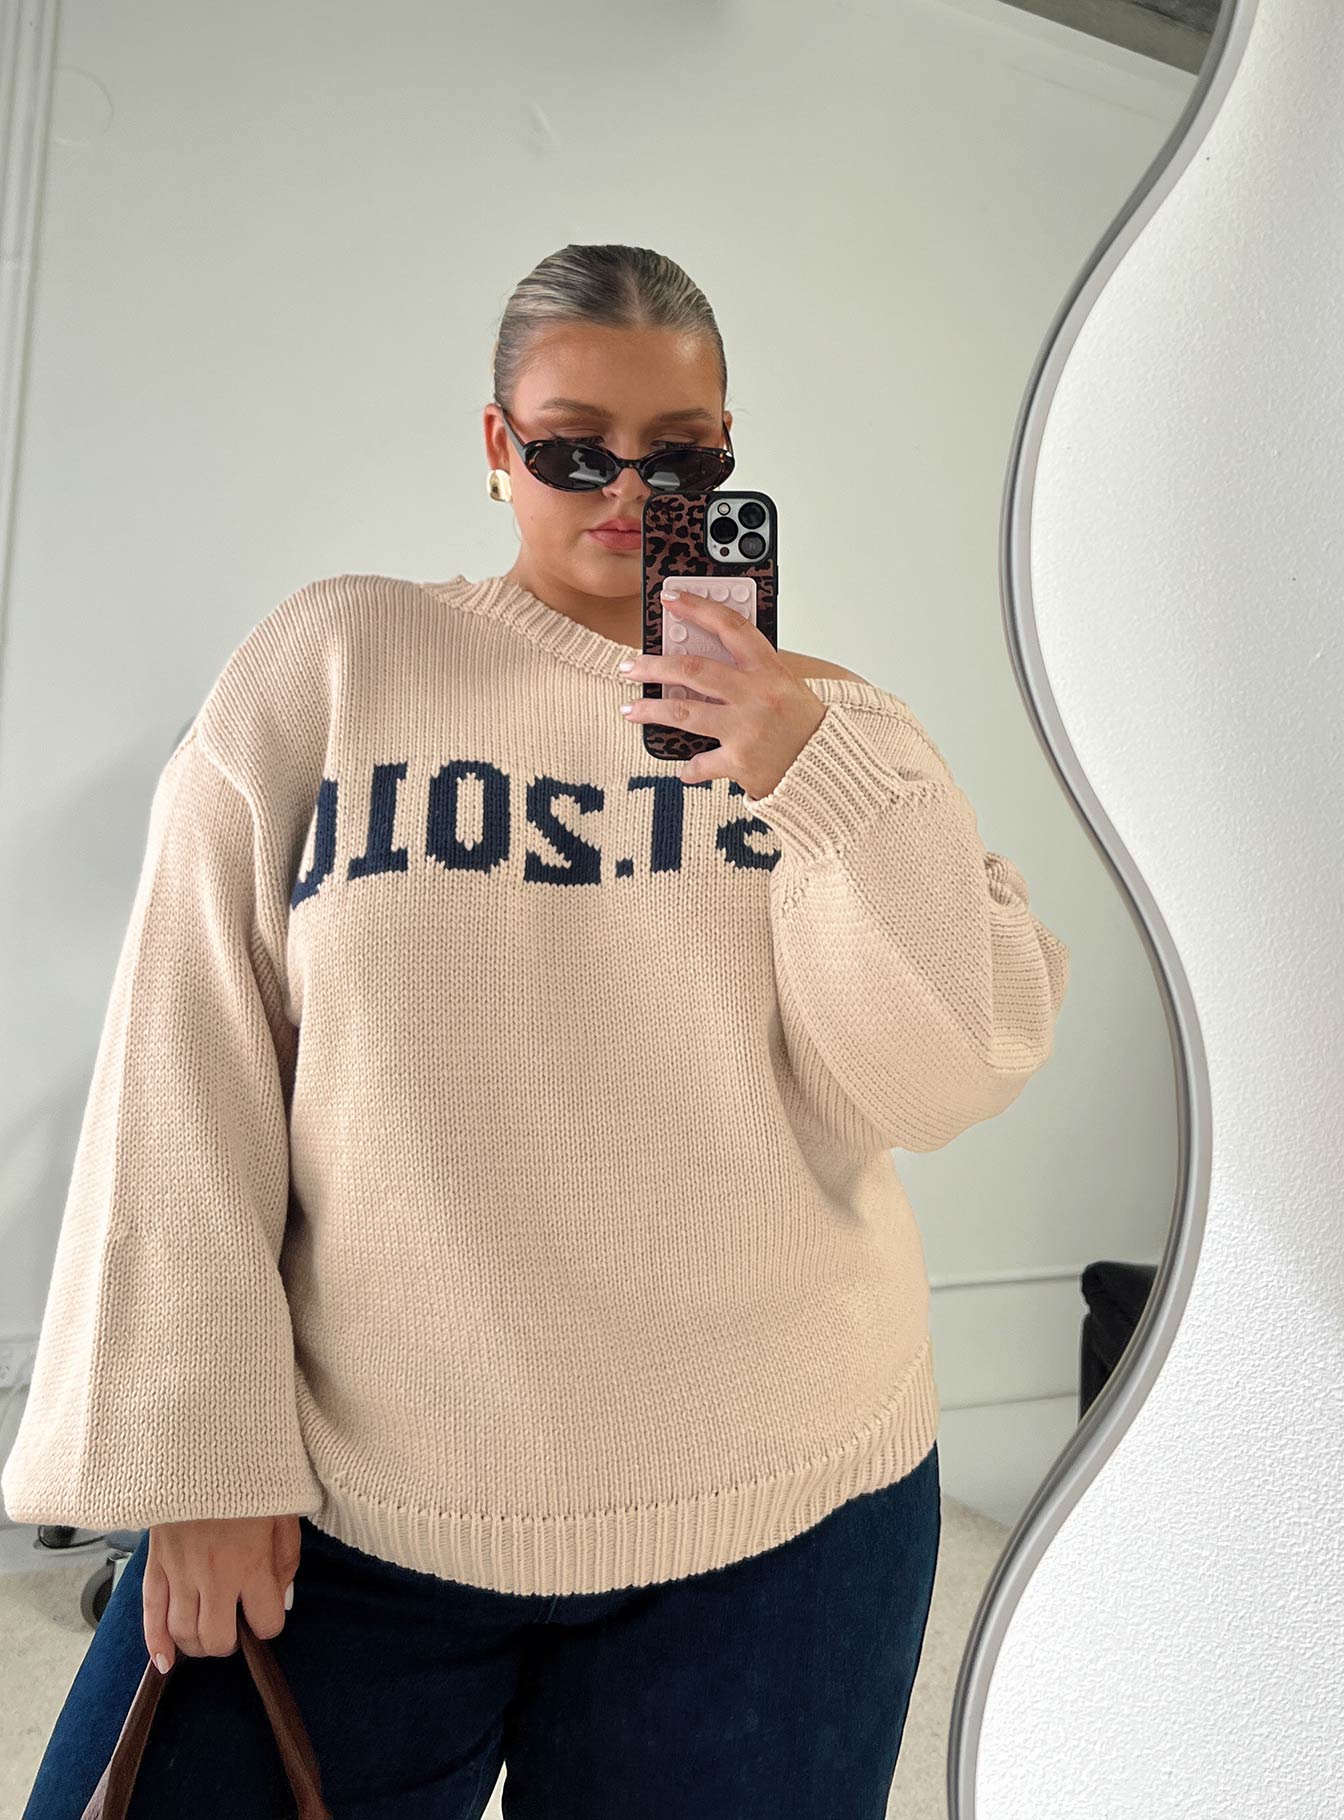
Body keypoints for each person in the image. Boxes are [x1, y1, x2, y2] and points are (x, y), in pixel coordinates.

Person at [4, 243, 1070, 1819]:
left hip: (785, 1513)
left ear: (727, 453)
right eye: (576, 449)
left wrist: (815, 771)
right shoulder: (336, 664)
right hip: (352, 1504)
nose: (626, 490)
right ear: (498, 444)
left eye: (678, 455)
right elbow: (186, 1058)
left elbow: (942, 1073)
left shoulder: (841, 731)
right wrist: (199, 1457)